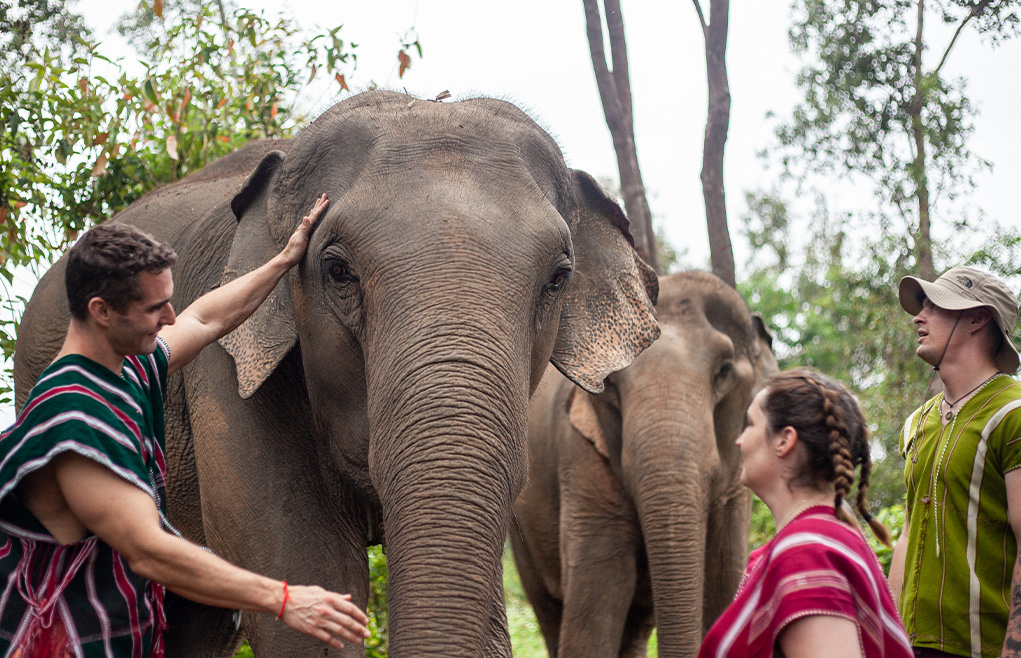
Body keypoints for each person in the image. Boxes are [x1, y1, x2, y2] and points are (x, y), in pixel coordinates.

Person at [0, 194, 371, 656]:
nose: (170, 317)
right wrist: (284, 598)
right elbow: (148, 549)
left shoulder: (122, 369)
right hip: (56, 644)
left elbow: (206, 317)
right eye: (155, 308)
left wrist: (283, 259)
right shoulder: (76, 418)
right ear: (101, 311)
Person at [699, 369, 913, 658]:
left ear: (785, 440)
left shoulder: (807, 554)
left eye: (750, 424)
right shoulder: (825, 539)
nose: (740, 440)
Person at [888, 265, 1021, 658]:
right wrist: (889, 637)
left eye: (934, 305)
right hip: (911, 647)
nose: (918, 316)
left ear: (978, 318)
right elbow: (909, 532)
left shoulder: (1013, 414)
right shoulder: (917, 423)